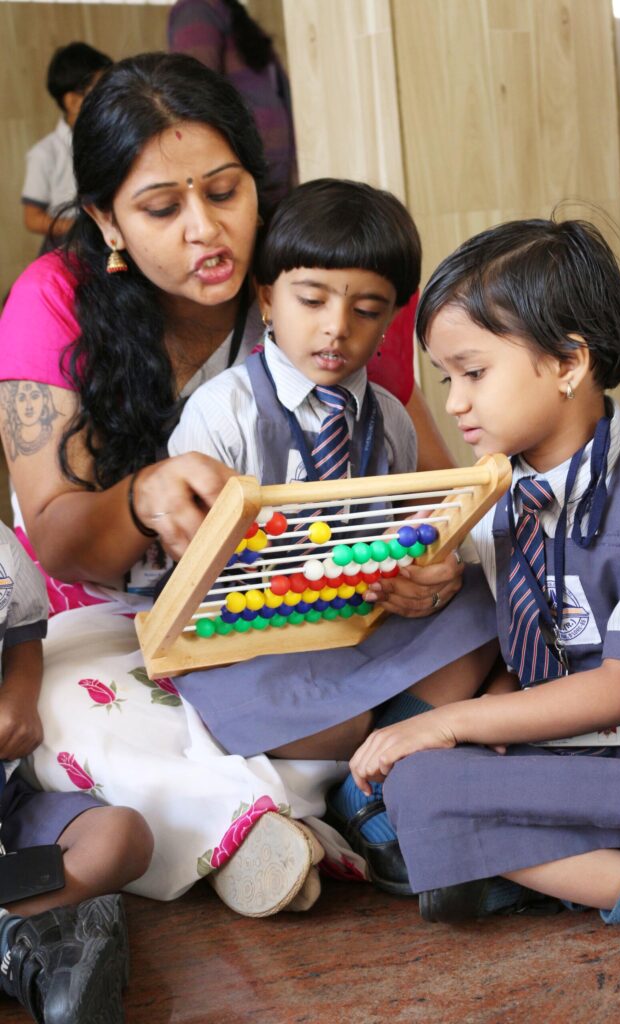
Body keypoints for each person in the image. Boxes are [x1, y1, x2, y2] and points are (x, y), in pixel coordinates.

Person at [0, 53, 460, 916]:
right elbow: (59, 534)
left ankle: (313, 790)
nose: (204, 230)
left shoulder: (318, 286)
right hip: (121, 624)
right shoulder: (51, 303)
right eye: (162, 209)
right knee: (72, 710)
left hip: (315, 611)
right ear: (105, 219)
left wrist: (429, 559)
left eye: (224, 192)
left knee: (478, 613)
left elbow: (427, 489)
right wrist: (142, 497)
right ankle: (306, 806)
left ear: (259, 183)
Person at [167, 178, 500, 893]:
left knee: (485, 604)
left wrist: (427, 583)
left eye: (367, 309)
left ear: (388, 323)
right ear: (264, 299)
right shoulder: (219, 416)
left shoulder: (391, 418)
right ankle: (368, 774)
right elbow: (196, 580)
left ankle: (379, 769)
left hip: (358, 631)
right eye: (311, 300)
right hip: (254, 650)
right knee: (336, 727)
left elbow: (408, 544)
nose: (335, 328)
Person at [350, 218, 620, 931]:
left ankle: (577, 873)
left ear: (567, 363)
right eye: (446, 378)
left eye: (473, 372)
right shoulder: (493, 498)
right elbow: (529, 643)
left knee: (436, 766)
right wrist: (484, 711)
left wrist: (449, 721)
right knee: (416, 784)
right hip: (565, 759)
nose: (454, 402)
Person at [0, 518, 152, 1023]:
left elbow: (23, 635)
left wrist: (18, 705)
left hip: (8, 809)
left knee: (121, 836)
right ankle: (34, 958)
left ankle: (34, 946)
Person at [168, 0, 296, 215]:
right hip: (247, 181)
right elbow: (193, 94)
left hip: (271, 182)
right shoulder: (195, 9)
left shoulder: (229, 11)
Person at [21, 42, 112, 254]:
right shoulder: (44, 153)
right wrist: (82, 227)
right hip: (67, 251)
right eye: (100, 91)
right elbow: (32, 219)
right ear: (72, 101)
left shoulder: (107, 139)